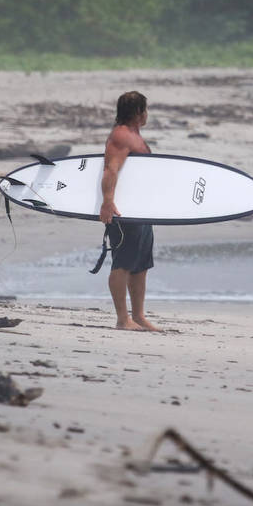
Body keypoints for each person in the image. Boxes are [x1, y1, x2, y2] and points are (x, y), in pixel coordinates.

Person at [99, 91, 160, 332]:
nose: (147, 114)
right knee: (123, 263)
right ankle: (123, 319)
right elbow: (110, 170)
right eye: (145, 109)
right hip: (123, 211)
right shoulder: (121, 136)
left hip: (140, 209)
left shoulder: (134, 135)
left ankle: (139, 316)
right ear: (138, 112)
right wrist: (107, 202)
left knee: (141, 264)